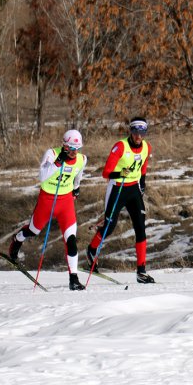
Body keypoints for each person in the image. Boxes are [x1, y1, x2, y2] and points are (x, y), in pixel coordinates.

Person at [9, 129, 88, 291]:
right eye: (70, 149)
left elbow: (78, 174)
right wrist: (58, 162)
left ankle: (74, 278)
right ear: (64, 145)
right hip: (47, 200)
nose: (74, 152)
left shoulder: (82, 159)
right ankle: (18, 238)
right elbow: (42, 176)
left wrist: (76, 188)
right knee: (33, 230)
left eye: (77, 149)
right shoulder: (51, 154)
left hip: (65, 202)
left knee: (71, 239)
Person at [86, 117, 154, 283]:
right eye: (135, 131)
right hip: (117, 188)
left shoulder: (146, 147)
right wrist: (119, 173)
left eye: (142, 132)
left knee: (140, 228)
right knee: (109, 226)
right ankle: (92, 249)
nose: (139, 136)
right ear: (131, 131)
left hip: (133, 190)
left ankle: (141, 272)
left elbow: (143, 166)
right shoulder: (120, 146)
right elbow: (106, 173)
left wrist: (142, 184)